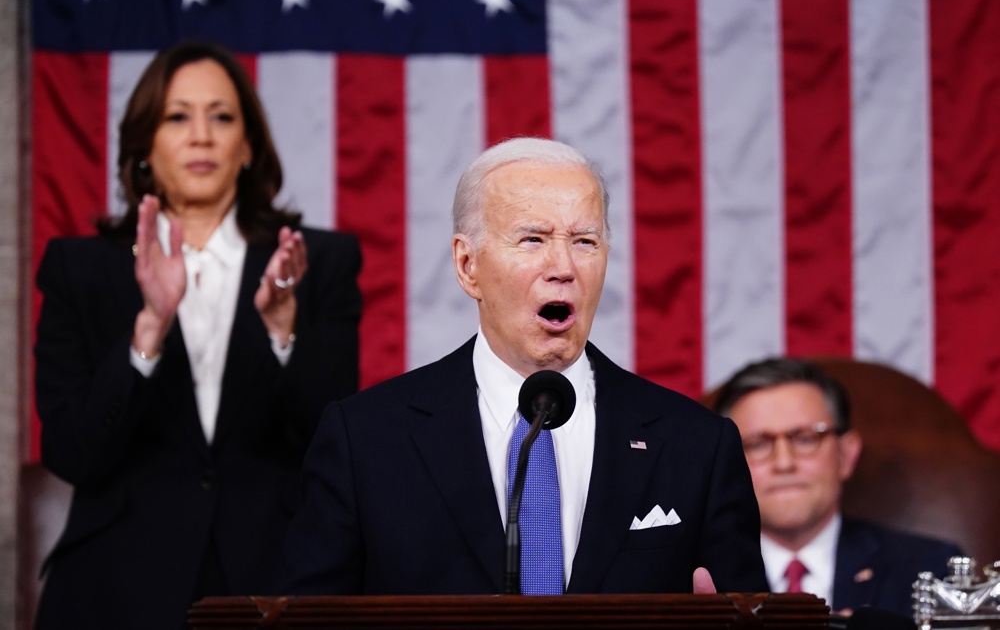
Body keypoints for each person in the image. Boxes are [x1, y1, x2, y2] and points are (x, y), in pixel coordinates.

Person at [282, 137, 767, 596]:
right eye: (533, 239)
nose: (563, 266)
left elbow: (748, 615)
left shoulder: (696, 445)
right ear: (468, 265)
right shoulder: (365, 440)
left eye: (585, 242)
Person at [33, 41, 361, 630]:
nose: (202, 135)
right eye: (177, 116)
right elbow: (71, 452)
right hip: (113, 587)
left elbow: (335, 444)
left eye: (223, 116)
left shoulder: (320, 261)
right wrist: (149, 329)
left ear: (248, 147)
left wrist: (283, 331)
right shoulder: (77, 268)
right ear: (143, 148)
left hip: (275, 580)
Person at [712, 357, 961, 619]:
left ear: (846, 455)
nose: (783, 463)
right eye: (757, 443)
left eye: (806, 438)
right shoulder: (696, 575)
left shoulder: (927, 569)